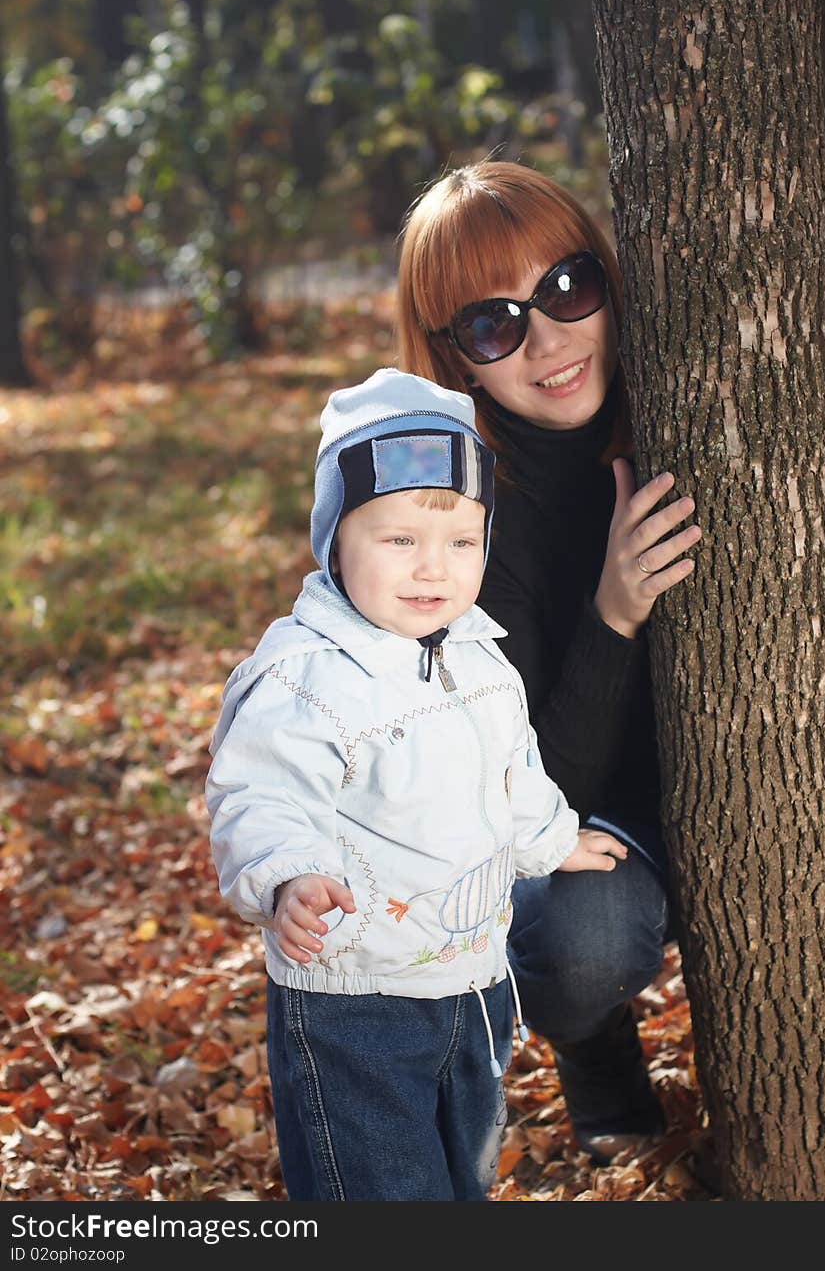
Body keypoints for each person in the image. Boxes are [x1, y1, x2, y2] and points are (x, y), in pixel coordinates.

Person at [205, 366, 626, 1201]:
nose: (433, 568)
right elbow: (259, 796)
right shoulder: (303, 678)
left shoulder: (477, 655)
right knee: (379, 1191)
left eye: (462, 542)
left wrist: (552, 838)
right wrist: (287, 875)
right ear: (334, 539)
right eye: (399, 540)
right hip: (353, 1000)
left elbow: (516, 772)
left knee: (461, 1179)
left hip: (470, 983)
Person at [396, 159, 701, 1162]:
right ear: (456, 360)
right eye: (495, 323)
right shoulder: (467, 526)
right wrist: (613, 613)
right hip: (593, 826)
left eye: (566, 287)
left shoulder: (704, 392)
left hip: (769, 791)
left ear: (609, 278)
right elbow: (530, 795)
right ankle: (593, 1046)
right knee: (574, 944)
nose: (549, 338)